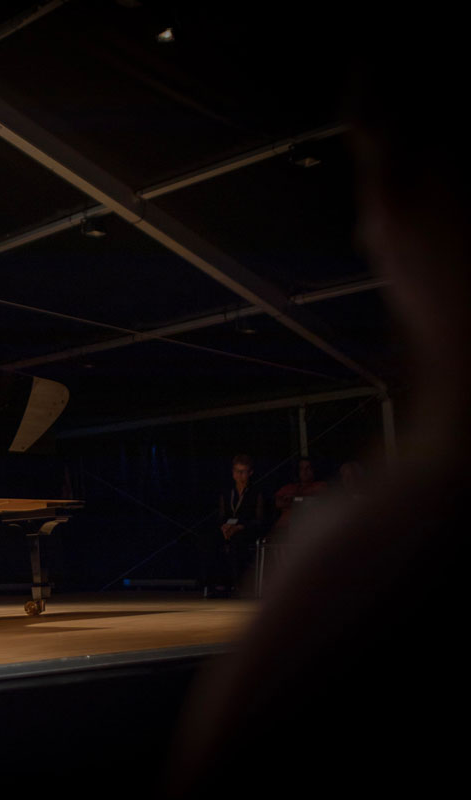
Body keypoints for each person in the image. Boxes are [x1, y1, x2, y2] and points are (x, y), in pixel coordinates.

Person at [166, 26, 468, 794]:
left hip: (283, 547)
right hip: (257, 536)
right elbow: (251, 507)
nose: (366, 232)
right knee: (231, 540)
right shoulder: (343, 529)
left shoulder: (377, 553)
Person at [201, 454, 265, 597]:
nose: (239, 475)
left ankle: (237, 584)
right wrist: (224, 527)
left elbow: (259, 519)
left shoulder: (256, 492)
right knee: (209, 540)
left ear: (250, 473)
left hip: (247, 529)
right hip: (229, 528)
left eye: (243, 472)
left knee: (237, 541)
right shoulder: (227, 491)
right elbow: (222, 516)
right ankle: (213, 584)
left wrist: (240, 527)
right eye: (237, 471)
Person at [269, 456, 327, 536]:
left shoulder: (320, 485)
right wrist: (299, 501)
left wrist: (294, 499)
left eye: (308, 468)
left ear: (313, 470)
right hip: (283, 529)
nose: (304, 471)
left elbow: (314, 501)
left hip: (306, 530)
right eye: (301, 468)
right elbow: (278, 503)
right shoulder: (289, 487)